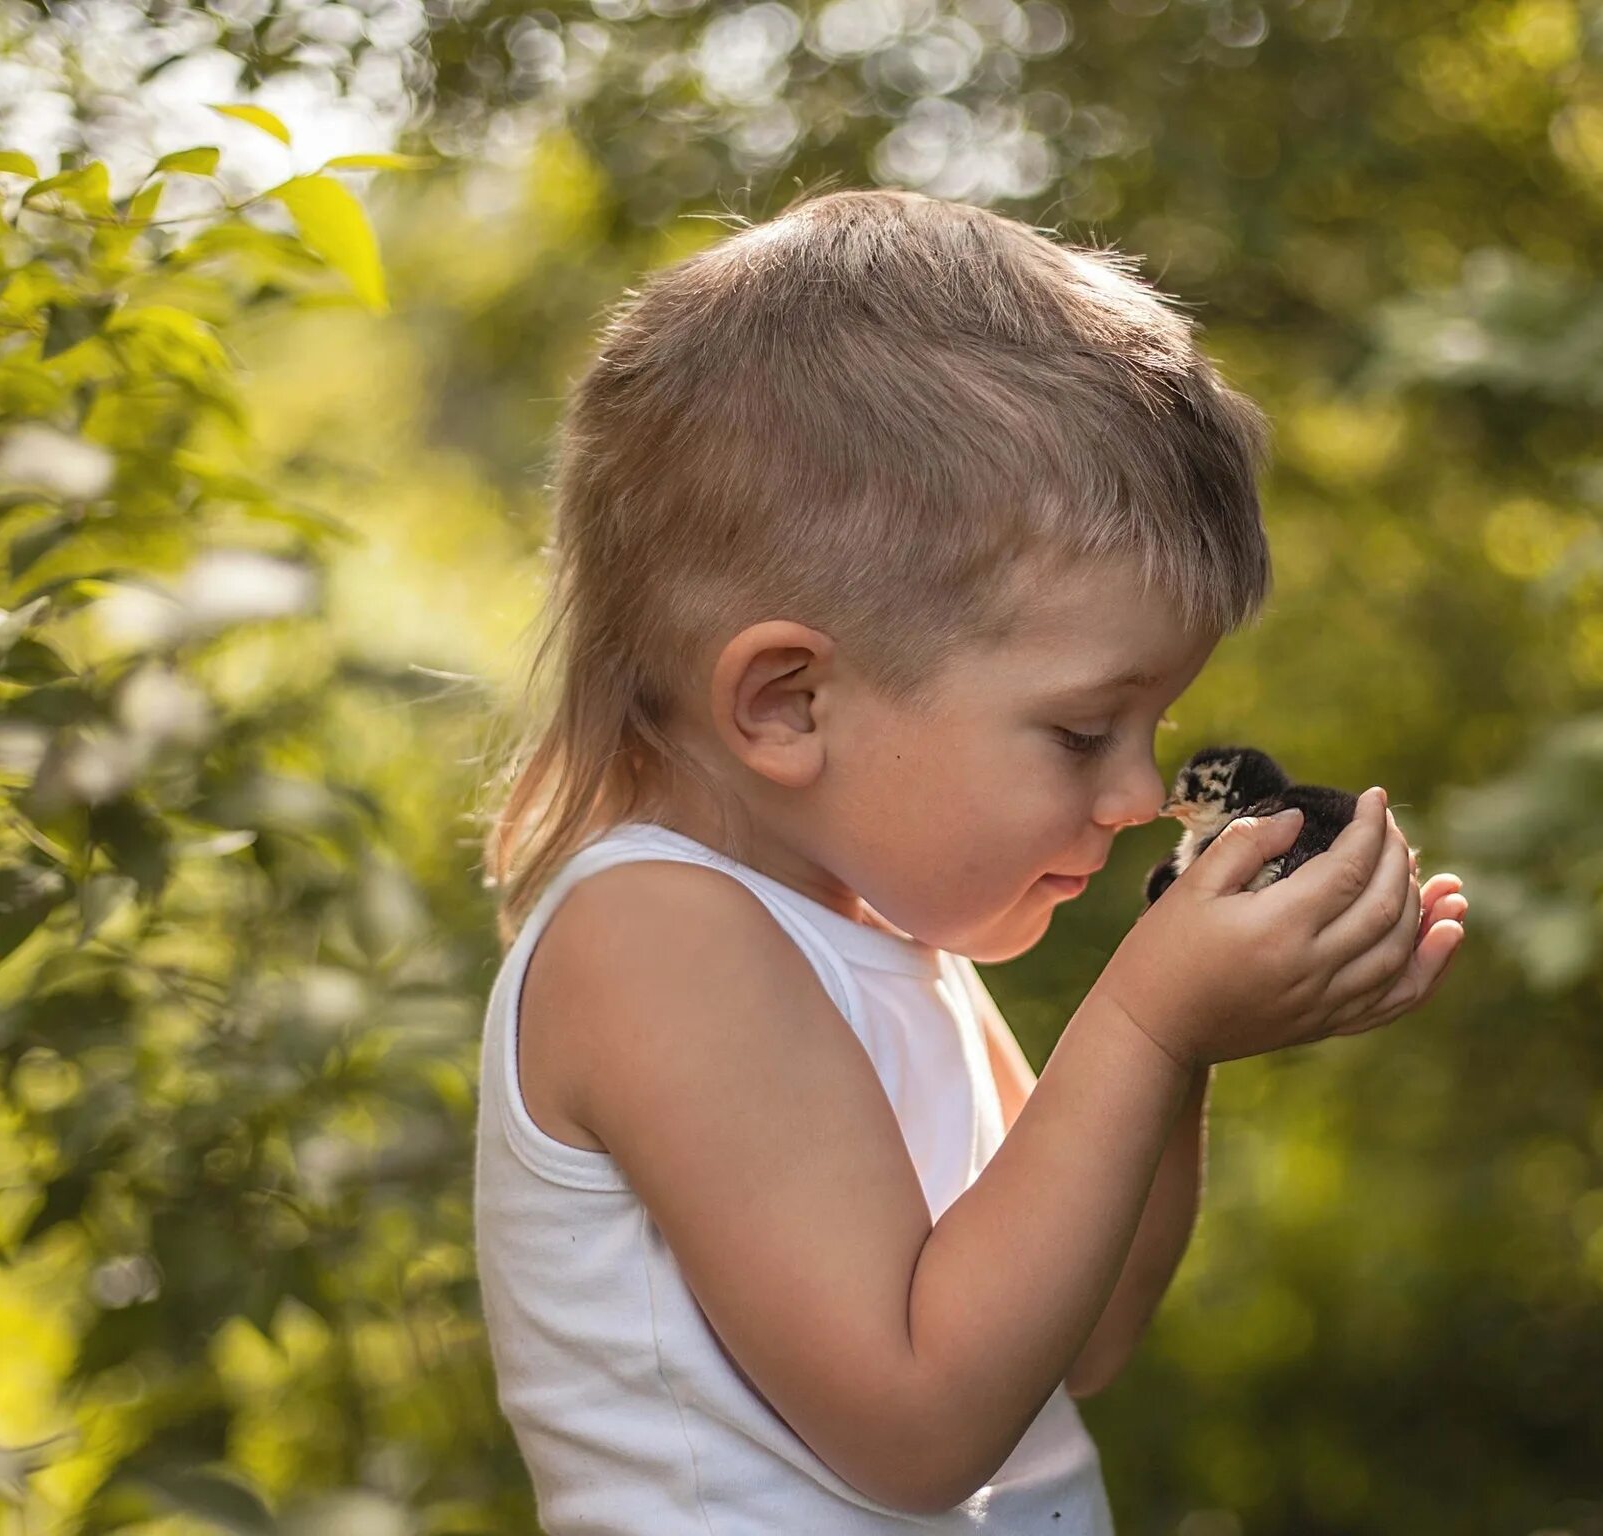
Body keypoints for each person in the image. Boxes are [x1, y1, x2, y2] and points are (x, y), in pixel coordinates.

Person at [470, 184, 1468, 1534]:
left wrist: (1186, 1030)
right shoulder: (656, 937)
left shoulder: (881, 936)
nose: (1132, 796)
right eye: (1080, 731)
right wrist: (1150, 1024)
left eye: (1150, 727)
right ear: (789, 705)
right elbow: (922, 1429)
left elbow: (1079, 1332)